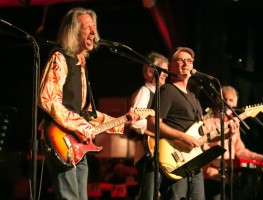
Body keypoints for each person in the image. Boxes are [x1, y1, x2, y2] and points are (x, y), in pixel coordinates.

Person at [38, 7, 142, 200]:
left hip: (78, 143)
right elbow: (48, 99)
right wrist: (80, 126)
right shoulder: (60, 58)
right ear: (73, 31)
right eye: (88, 27)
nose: (94, 33)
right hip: (61, 138)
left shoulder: (81, 64)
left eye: (94, 27)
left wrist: (122, 121)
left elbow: (86, 113)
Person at [146, 47, 240, 200]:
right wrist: (182, 137)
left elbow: (201, 136)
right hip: (174, 160)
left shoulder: (194, 98)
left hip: (194, 163)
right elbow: (152, 124)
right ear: (170, 66)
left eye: (189, 60)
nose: (186, 63)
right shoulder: (167, 91)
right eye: (181, 60)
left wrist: (227, 134)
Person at [202, 85, 263, 200]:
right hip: (211, 176)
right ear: (218, 100)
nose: (227, 103)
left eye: (231, 100)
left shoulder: (233, 123)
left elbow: (240, 151)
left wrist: (262, 158)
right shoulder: (208, 121)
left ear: (235, 104)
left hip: (230, 174)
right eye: (224, 99)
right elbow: (202, 148)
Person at [130, 52, 169, 200]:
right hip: (148, 155)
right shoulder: (145, 91)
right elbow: (136, 122)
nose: (166, 75)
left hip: (158, 154)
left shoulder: (161, 94)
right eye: (163, 71)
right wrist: (158, 133)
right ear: (150, 71)